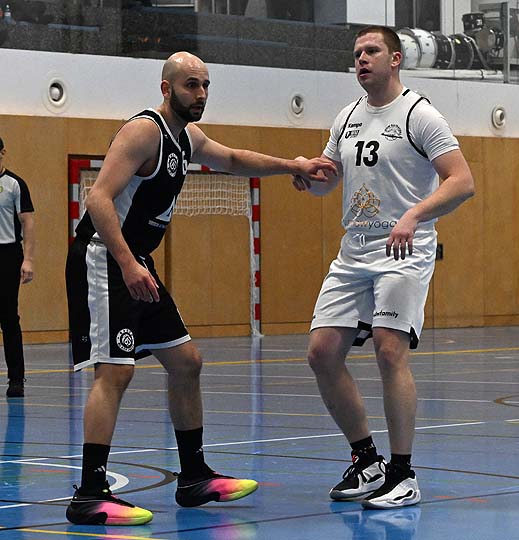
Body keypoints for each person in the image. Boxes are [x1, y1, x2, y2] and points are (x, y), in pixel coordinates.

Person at [65, 51, 336, 526]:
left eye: (206, 85)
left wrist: (292, 164)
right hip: (105, 257)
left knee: (187, 362)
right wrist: (126, 263)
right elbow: (98, 198)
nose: (201, 94)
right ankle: (89, 494)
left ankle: (193, 477)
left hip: (135, 261)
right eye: (191, 84)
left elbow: (231, 158)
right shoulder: (144, 131)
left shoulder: (186, 138)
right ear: (166, 88)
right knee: (115, 372)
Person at [293, 26, 474, 509]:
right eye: (356, 53)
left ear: (395, 59)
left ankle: (403, 473)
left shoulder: (420, 114)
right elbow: (329, 180)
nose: (361, 59)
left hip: (402, 251)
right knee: (322, 353)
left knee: (389, 350)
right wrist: (309, 178)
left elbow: (462, 181)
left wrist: (414, 215)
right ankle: (366, 460)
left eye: (371, 51)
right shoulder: (347, 117)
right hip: (354, 251)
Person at [0, 137, 35, 398]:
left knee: (8, 316)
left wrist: (28, 259)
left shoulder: (14, 184)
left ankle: (16, 379)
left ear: (2, 153)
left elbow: (28, 222)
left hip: (7, 253)